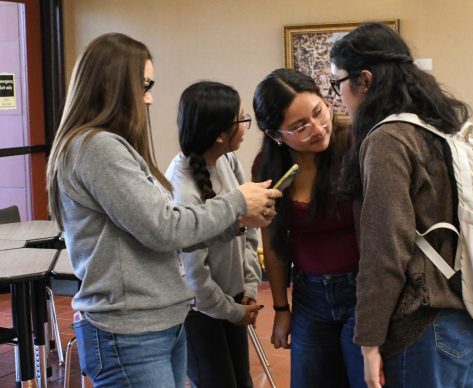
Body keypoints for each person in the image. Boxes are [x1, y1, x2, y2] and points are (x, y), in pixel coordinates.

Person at [45, 33, 281, 388]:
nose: (150, 98)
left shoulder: (110, 146)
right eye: (144, 85)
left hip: (155, 324)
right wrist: (237, 203)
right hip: (129, 331)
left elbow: (163, 235)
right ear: (115, 86)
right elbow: (163, 228)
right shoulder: (97, 147)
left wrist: (234, 223)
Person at [330, 23, 473, 388]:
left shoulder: (389, 139)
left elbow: (385, 252)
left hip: (427, 321)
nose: (338, 95)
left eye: (337, 82)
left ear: (365, 80)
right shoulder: (441, 125)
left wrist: (369, 342)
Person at [252, 68, 366, 388]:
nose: (317, 129)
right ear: (276, 135)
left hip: (362, 291)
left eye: (319, 112)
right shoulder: (267, 166)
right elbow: (273, 243)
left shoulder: (356, 146)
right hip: (310, 296)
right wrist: (280, 308)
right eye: (299, 127)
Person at [165, 81, 261, 388]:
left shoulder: (227, 160)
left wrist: (249, 285)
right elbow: (194, 277)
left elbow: (247, 228)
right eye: (241, 120)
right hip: (199, 311)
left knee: (241, 382)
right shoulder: (182, 189)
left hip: (232, 301)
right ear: (220, 134)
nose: (247, 126)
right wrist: (232, 311)